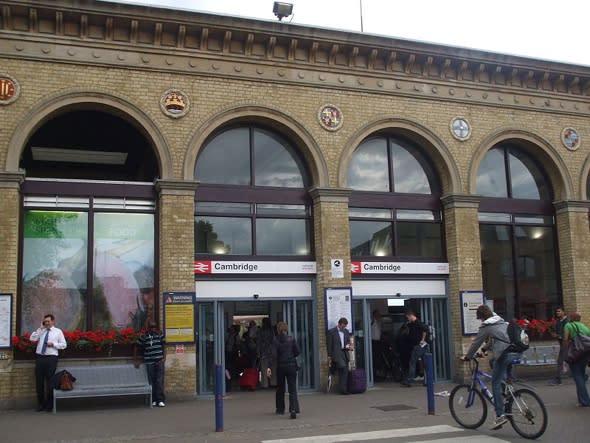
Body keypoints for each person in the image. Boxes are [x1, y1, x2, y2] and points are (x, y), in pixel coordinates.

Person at [461, 305, 520, 430]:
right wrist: (484, 349)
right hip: (516, 351)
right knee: (494, 362)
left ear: (482, 317)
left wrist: (468, 356)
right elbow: (496, 339)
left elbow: (476, 342)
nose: (480, 321)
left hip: (505, 354)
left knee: (495, 383)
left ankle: (500, 416)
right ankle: (508, 392)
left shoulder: (486, 326)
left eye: (480, 318)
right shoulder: (500, 321)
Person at [30, 314, 67, 412]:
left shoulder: (58, 332)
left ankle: (49, 405)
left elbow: (64, 345)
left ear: (53, 321)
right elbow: (32, 339)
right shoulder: (41, 331)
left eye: (48, 321)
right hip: (40, 358)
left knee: (50, 382)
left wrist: (53, 344)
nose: (46, 323)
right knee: (39, 382)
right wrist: (40, 328)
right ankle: (41, 404)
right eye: (45, 321)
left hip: (51, 358)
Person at [268, 321, 300, 419]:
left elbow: (273, 355)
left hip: (280, 366)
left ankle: (280, 409)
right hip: (291, 366)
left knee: (280, 388)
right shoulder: (291, 339)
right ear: (286, 329)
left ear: (277, 329)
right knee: (292, 389)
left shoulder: (275, 340)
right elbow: (297, 351)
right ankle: (293, 409)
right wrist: (291, 356)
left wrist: (270, 367)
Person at [134, 321, 166, 407]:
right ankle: (153, 400)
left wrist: (164, 358)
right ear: (148, 328)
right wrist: (136, 360)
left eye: (154, 327)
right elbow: (136, 347)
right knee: (151, 381)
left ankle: (160, 400)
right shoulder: (144, 337)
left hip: (159, 361)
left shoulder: (159, 335)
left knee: (159, 381)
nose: (153, 329)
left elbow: (164, 346)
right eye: (151, 327)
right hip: (149, 362)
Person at [562, 312, 590, 407]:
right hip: (585, 354)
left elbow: (565, 339)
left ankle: (585, 400)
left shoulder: (568, 325)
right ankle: (581, 400)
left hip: (574, 353)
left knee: (577, 376)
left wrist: (565, 351)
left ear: (572, 318)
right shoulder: (584, 326)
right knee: (581, 374)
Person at [401, 309, 430, 386]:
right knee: (425, 363)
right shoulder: (413, 323)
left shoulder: (417, 322)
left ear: (410, 316)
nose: (407, 318)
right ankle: (427, 381)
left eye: (407, 317)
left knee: (412, 362)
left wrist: (422, 340)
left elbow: (425, 329)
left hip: (418, 346)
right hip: (422, 346)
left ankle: (410, 381)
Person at [327, 317, 352, 395]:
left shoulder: (346, 331)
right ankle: (343, 389)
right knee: (344, 369)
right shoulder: (332, 332)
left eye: (345, 326)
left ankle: (342, 389)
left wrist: (349, 346)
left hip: (344, 352)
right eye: (343, 326)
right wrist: (329, 356)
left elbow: (348, 341)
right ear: (339, 324)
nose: (344, 328)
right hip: (337, 354)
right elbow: (329, 345)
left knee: (343, 371)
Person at [548, 307, 569, 385]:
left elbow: (566, 334)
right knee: (572, 361)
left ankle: (558, 380)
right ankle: (584, 376)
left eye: (559, 311)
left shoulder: (567, 321)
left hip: (567, 344)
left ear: (564, 312)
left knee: (560, 361)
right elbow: (558, 332)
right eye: (557, 311)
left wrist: (557, 336)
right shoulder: (558, 321)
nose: (557, 313)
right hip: (563, 344)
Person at [257, 318, 276, 388]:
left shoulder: (261, 331)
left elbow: (258, 342)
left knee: (264, 368)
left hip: (264, 352)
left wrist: (258, 352)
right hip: (272, 352)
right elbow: (274, 341)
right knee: (273, 368)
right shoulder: (273, 330)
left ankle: (265, 384)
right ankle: (274, 382)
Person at [371, 310, 383, 379]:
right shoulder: (372, 321)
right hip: (373, 342)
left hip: (378, 342)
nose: (379, 316)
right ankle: (374, 375)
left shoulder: (379, 322)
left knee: (378, 358)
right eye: (378, 314)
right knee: (374, 358)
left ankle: (377, 373)